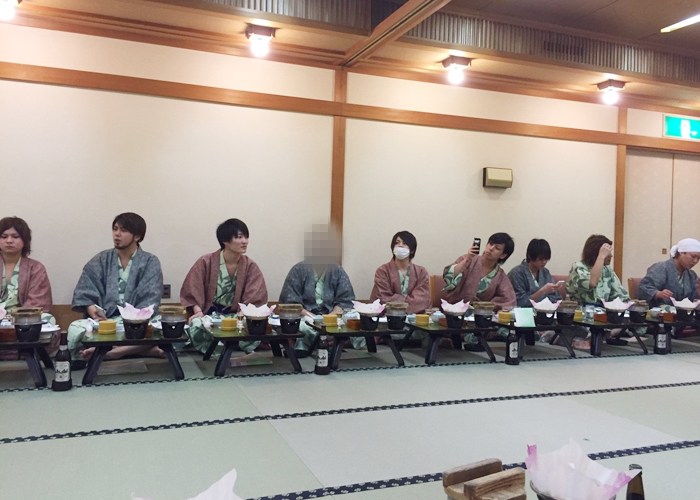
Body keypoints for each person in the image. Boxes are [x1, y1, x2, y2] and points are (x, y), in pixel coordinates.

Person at [68, 213, 163, 366]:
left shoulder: (150, 261)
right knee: (75, 329)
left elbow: (151, 298)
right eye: (115, 229)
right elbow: (85, 290)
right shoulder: (101, 259)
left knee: (161, 326)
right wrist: (92, 309)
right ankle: (141, 350)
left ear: (137, 236)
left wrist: (133, 317)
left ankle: (114, 352)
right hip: (105, 322)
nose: (117, 234)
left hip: (138, 321)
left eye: (123, 230)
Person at [180, 219, 268, 356]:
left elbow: (255, 295)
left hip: (236, 316)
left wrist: (242, 315)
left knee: (252, 325)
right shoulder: (206, 262)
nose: (244, 241)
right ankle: (228, 347)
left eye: (246, 237)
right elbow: (192, 289)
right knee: (196, 324)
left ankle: (223, 346)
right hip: (209, 316)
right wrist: (198, 311)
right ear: (225, 240)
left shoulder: (250, 266)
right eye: (239, 237)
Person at [279, 224, 355, 356]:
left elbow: (345, 300)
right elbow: (291, 304)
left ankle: (324, 341)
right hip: (305, 317)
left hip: (332, 317)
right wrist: (313, 318)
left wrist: (330, 317)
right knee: (299, 326)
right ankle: (325, 342)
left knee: (355, 318)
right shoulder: (298, 270)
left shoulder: (337, 270)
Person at [443, 233, 516, 350]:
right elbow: (448, 277)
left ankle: (474, 338)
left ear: (503, 255)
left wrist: (486, 306)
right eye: (490, 244)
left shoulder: (500, 275)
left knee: (510, 329)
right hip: (458, 314)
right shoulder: (468, 260)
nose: (491, 248)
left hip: (481, 317)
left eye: (497, 248)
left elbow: (508, 299)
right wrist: (467, 259)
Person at [0, 217, 55, 360]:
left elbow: (38, 302)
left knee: (47, 320)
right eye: (4, 237)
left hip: (23, 319)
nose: (9, 241)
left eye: (15, 236)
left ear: (24, 240)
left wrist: (11, 318)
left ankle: (26, 353)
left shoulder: (35, 268)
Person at [565, 235, 630, 345]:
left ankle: (606, 333)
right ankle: (603, 334)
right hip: (582, 312)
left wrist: (627, 306)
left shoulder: (607, 270)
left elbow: (621, 295)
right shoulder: (578, 267)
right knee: (595, 319)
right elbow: (592, 283)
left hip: (604, 312)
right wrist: (601, 256)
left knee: (631, 316)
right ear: (596, 253)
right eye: (608, 253)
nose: (611, 256)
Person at [369, 231, 430, 314]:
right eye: (397, 243)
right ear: (393, 248)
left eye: (404, 243)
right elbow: (384, 298)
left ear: (412, 250)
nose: (400, 245)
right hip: (387, 317)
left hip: (415, 317)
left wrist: (398, 302)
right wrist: (409, 302)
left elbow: (422, 299)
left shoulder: (421, 272)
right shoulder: (382, 271)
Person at [637, 238, 700, 308]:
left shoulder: (692, 275)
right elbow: (643, 288)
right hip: (659, 311)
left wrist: (698, 291)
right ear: (681, 253)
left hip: (683, 313)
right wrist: (658, 293)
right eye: (693, 256)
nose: (695, 261)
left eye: (698, 258)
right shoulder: (661, 268)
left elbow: (692, 300)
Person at [507, 238, 563, 308]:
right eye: (541, 259)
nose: (544, 262)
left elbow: (556, 297)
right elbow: (520, 301)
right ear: (530, 256)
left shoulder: (545, 272)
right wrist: (542, 291)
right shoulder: (516, 273)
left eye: (546, 259)